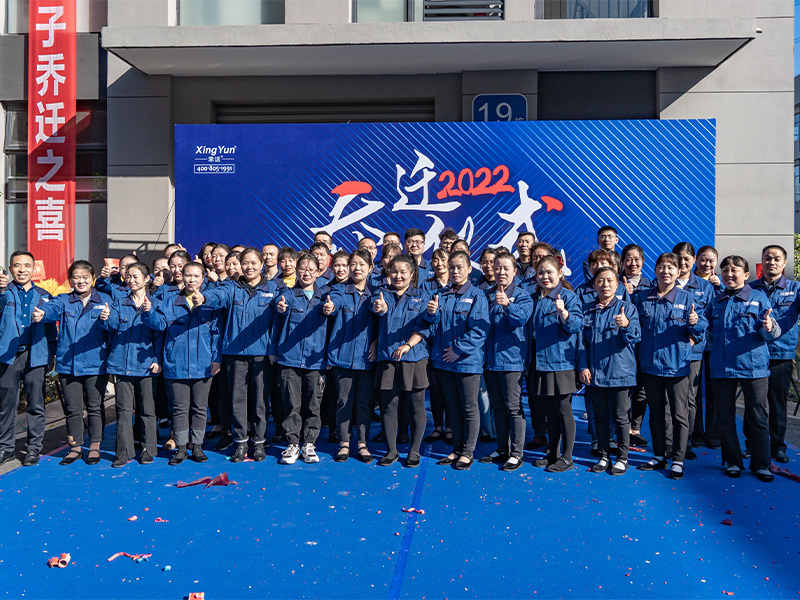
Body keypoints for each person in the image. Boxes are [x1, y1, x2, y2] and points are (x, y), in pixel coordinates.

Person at [194, 248, 278, 462]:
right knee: (237, 401)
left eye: (253, 263)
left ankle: (258, 443)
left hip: (261, 356)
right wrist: (203, 297)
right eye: (245, 263)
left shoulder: (274, 288)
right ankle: (240, 443)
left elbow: (282, 309)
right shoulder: (231, 287)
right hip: (235, 355)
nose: (249, 267)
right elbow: (217, 296)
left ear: (261, 265)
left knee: (260, 401)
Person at [633, 253, 705, 480]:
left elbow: (700, 331)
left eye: (671, 267)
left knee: (679, 414)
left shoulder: (686, 299)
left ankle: (678, 459)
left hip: (677, 367)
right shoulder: (642, 298)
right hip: (650, 366)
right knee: (656, 414)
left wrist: (694, 324)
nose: (666, 271)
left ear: (678, 271)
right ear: (655, 270)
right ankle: (659, 454)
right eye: (662, 267)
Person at [706, 255, 778, 482]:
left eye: (734, 270)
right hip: (721, 368)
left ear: (746, 275)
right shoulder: (716, 302)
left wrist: (769, 327)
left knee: (757, 416)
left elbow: (770, 333)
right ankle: (732, 461)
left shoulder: (759, 299)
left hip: (753, 367)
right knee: (725, 417)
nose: (729, 274)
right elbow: (705, 331)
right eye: (725, 270)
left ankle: (761, 464)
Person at [33, 260, 112, 466]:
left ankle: (95, 445)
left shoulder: (104, 300)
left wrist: (107, 318)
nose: (81, 281)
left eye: (85, 277)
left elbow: (114, 326)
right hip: (69, 365)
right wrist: (43, 314)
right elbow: (51, 308)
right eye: (76, 277)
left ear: (93, 278)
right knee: (72, 408)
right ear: (70, 280)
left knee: (95, 406)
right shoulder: (64, 300)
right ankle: (75, 446)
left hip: (96, 364)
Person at [144, 261, 221, 465]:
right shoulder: (169, 302)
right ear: (182, 277)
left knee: (199, 407)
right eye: (188, 275)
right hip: (175, 364)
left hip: (203, 365)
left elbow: (216, 333)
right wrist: (148, 312)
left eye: (196, 276)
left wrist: (216, 359)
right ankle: (180, 448)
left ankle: (196, 446)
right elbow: (159, 325)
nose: (191, 280)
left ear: (203, 279)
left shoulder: (210, 302)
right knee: (179, 408)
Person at [370, 254, 436, 467]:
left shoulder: (423, 296)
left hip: (414, 359)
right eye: (394, 271)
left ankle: (414, 451)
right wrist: (380, 308)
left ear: (412, 274)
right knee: (389, 406)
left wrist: (408, 345)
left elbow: (426, 324)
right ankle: (391, 451)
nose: (398, 276)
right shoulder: (381, 294)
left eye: (403, 272)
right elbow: (377, 310)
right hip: (387, 357)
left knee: (417, 406)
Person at [430, 251, 490, 471]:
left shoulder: (477, 296)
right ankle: (456, 448)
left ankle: (467, 452)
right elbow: (432, 327)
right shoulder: (441, 295)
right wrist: (430, 314)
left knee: (469, 407)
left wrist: (458, 349)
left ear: (469, 269)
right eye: (452, 267)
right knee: (453, 408)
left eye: (459, 267)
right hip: (444, 361)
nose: (455, 271)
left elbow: (480, 329)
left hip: (466, 361)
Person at [578, 267, 641, 476]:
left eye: (610, 281)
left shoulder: (627, 308)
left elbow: (635, 337)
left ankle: (622, 458)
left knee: (620, 417)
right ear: (594, 285)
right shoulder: (587, 309)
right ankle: (604, 455)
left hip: (620, 372)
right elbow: (580, 343)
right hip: (595, 373)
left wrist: (626, 325)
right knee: (600, 417)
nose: (605, 285)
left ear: (618, 285)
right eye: (601, 281)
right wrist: (583, 366)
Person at [101, 262, 162, 467]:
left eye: (136, 276)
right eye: (128, 277)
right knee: (123, 410)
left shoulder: (156, 303)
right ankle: (123, 451)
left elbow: (161, 329)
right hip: (121, 364)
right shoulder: (119, 302)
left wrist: (157, 360)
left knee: (147, 410)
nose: (131, 280)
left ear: (147, 279)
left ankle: (147, 449)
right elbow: (113, 326)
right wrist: (106, 318)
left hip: (146, 365)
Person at [271, 253, 329, 465]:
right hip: (289, 359)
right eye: (302, 269)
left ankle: (309, 443)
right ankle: (293, 443)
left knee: (313, 404)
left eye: (311, 270)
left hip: (316, 360)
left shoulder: (326, 297)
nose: (306, 272)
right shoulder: (288, 294)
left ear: (317, 272)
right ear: (296, 271)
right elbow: (279, 309)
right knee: (292, 404)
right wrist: (280, 306)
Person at [0, 252, 57, 467]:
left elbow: (51, 329)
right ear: (10, 269)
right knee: (7, 404)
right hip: (8, 356)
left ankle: (33, 448)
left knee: (36, 403)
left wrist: (51, 354)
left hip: (36, 355)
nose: (22, 269)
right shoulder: (4, 294)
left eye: (26, 265)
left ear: (34, 269)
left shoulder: (44, 295)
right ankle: (5, 448)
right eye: (17, 266)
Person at [530, 255, 583, 473]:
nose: (545, 277)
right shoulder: (535, 299)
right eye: (541, 273)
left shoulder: (568, 297)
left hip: (561, 363)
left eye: (549, 272)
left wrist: (564, 313)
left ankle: (567, 456)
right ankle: (552, 452)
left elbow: (577, 324)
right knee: (550, 412)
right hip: (541, 363)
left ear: (560, 273)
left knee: (563, 410)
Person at [481, 251, 533, 471]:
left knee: (513, 407)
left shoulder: (522, 295)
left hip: (512, 360)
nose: (501, 272)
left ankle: (516, 452)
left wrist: (508, 305)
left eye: (506, 268)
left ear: (515, 271)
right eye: (497, 267)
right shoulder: (486, 294)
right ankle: (502, 447)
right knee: (498, 408)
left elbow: (521, 318)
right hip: (490, 360)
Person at [325, 249, 378, 462]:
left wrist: (375, 338)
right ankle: (344, 443)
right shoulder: (339, 290)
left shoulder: (377, 293)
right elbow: (333, 303)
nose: (357, 269)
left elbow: (382, 317)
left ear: (370, 268)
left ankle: (363, 443)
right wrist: (330, 307)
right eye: (353, 265)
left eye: (361, 265)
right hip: (342, 357)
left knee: (364, 403)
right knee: (343, 402)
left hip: (367, 359)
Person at [750, 245, 799, 464]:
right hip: (755, 354)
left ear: (784, 263)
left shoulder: (795, 289)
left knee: (777, 403)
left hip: (781, 353)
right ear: (762, 261)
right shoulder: (750, 288)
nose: (772, 262)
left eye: (776, 258)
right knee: (755, 403)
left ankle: (778, 446)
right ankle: (752, 446)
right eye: (767, 258)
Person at [673, 242, 715, 460]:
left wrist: (694, 335)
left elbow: (708, 317)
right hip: (667, 351)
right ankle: (668, 442)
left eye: (686, 259)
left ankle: (685, 442)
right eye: (678, 259)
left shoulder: (705, 287)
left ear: (693, 261)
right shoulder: (664, 281)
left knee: (690, 398)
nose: (682, 263)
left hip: (693, 352)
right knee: (667, 399)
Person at [620, 244, 651, 448]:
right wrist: (625, 293)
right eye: (628, 259)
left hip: (646, 345)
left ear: (643, 261)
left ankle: (635, 428)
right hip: (623, 346)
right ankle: (620, 428)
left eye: (637, 259)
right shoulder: (614, 282)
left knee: (642, 390)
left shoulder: (652, 284)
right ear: (622, 262)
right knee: (624, 390)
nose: (633, 263)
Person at [692, 244, 722, 448]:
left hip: (713, 345)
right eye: (703, 259)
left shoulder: (721, 282)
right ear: (696, 260)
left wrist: (719, 286)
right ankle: (695, 434)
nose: (707, 263)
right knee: (692, 390)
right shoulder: (685, 281)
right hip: (693, 344)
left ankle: (713, 435)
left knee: (714, 391)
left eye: (711, 260)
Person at [421, 248, 451, 445]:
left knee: (450, 389)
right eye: (435, 260)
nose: (439, 263)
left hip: (451, 343)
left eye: (443, 259)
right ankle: (438, 426)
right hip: (432, 345)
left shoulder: (456, 284)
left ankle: (450, 428)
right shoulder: (426, 286)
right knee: (436, 388)